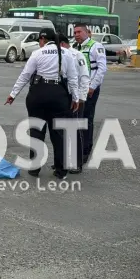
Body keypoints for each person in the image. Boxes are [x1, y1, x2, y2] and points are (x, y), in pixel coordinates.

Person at [5, 28, 80, 179]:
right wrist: (76, 98)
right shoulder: (67, 53)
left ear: (42, 40)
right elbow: (73, 78)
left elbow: (25, 75)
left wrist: (13, 94)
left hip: (38, 95)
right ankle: (61, 170)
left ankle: (34, 169)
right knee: (59, 133)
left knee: (36, 132)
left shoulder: (37, 53)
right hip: (59, 95)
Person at [72, 22, 107, 165]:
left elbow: (102, 69)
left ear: (87, 32)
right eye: (74, 33)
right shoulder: (74, 47)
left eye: (79, 32)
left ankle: (85, 150)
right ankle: (76, 150)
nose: (76, 35)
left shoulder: (95, 46)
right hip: (78, 89)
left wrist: (92, 86)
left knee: (86, 119)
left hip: (90, 90)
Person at [59, 33, 90, 174]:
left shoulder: (77, 55)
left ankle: (77, 163)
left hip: (76, 98)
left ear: (62, 44)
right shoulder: (60, 55)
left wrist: (82, 97)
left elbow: (84, 77)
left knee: (75, 131)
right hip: (64, 98)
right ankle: (64, 161)